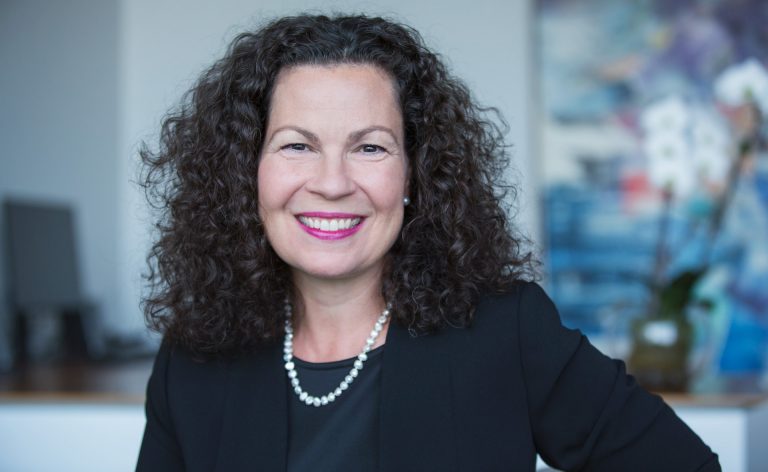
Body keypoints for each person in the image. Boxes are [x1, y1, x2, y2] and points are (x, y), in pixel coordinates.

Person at [135, 14, 720, 472]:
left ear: (415, 175)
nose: (333, 183)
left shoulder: (507, 331)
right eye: (297, 146)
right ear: (247, 171)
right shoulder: (191, 360)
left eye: (370, 147)